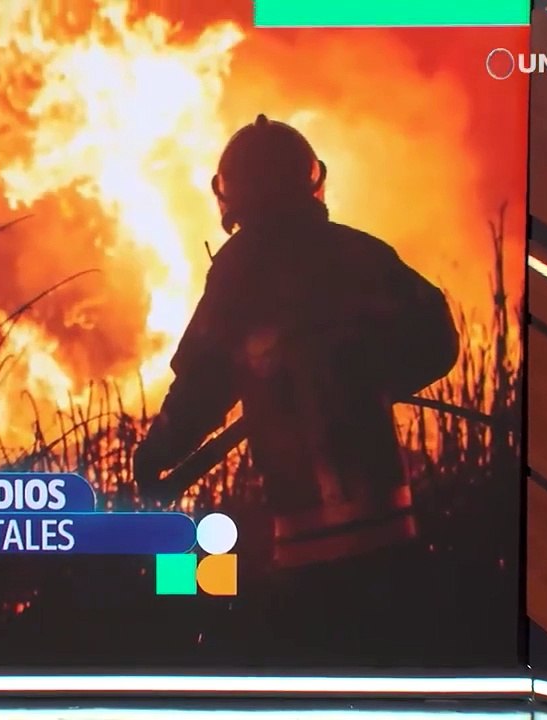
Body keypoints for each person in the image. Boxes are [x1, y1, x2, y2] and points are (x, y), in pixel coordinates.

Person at [133, 115, 459, 575]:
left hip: (304, 541)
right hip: (393, 530)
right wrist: (371, 380)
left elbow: (202, 385)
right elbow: (438, 340)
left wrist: (156, 454)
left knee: (293, 635)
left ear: (230, 197)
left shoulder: (238, 273)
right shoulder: (359, 252)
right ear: (312, 181)